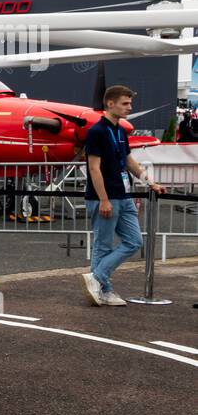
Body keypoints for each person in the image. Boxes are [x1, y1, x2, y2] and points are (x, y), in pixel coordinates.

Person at [81, 85, 167, 306]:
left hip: (124, 194)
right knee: (103, 246)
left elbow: (129, 161)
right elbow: (93, 168)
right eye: (125, 103)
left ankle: (97, 278)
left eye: (130, 103)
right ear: (110, 103)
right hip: (105, 197)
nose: (130, 107)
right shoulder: (97, 132)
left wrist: (150, 182)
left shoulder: (119, 130)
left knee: (133, 241)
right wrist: (104, 199)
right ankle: (104, 291)